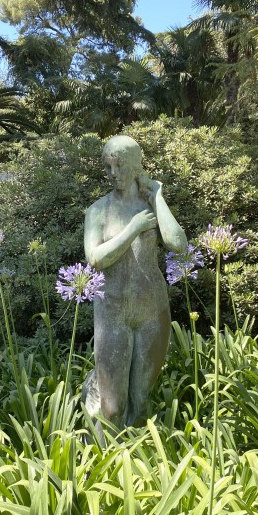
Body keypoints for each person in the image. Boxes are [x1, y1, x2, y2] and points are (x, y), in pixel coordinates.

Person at [83, 134, 187, 428]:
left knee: (140, 402)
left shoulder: (151, 203)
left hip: (152, 311)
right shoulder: (98, 211)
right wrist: (133, 228)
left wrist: (157, 198)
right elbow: (95, 258)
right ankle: (105, 462)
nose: (114, 174)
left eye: (121, 165)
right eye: (108, 167)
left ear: (137, 166)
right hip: (112, 313)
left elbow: (177, 243)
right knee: (113, 407)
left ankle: (136, 467)